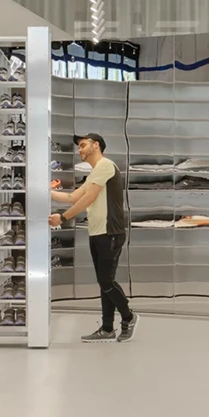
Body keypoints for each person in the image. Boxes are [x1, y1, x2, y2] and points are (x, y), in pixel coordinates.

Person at [51, 132, 136, 343]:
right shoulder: (94, 173)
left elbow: (88, 198)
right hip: (97, 232)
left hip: (110, 233)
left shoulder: (105, 166)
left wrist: (63, 218)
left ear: (96, 145)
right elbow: (72, 197)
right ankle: (107, 328)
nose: (79, 149)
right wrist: (43, 191)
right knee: (104, 282)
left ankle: (128, 316)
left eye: (82, 145)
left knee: (106, 281)